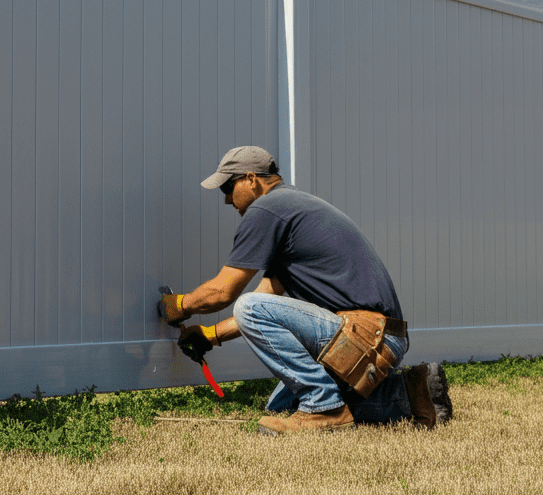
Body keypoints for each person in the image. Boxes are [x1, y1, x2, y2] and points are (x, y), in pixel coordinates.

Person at [160, 146, 452, 434]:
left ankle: (322, 406)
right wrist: (211, 336)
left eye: (227, 186)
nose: (225, 200)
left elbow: (223, 293)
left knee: (247, 306)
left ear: (251, 179)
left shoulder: (265, 209)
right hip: (380, 335)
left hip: (368, 335)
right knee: (280, 407)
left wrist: (178, 306)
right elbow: (267, 299)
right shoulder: (291, 207)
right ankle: (411, 396)